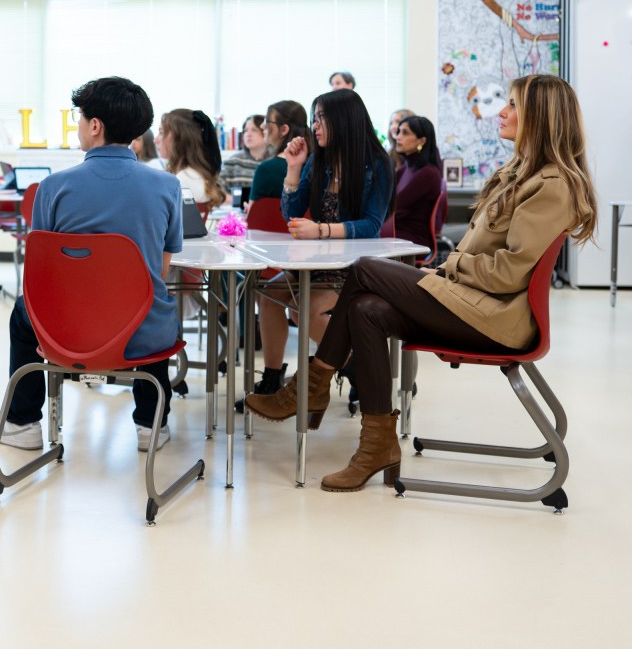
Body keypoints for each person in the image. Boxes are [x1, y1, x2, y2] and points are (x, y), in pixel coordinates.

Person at [247, 74, 597, 492]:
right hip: (474, 300)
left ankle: (311, 385)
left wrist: (448, 268)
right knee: (366, 309)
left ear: (541, 117)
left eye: (513, 105)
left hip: (496, 318)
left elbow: (507, 273)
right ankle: (376, 443)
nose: (502, 111)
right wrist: (448, 271)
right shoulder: (520, 174)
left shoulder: (551, 186)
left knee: (363, 269)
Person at [0, 76, 182, 452]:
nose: (78, 126)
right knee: (151, 305)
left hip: (66, 333)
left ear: (95, 126)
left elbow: (41, 276)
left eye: (79, 118)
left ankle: (23, 422)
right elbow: (160, 270)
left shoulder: (52, 188)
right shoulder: (167, 186)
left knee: (22, 310)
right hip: (141, 336)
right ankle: (149, 423)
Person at [244, 88, 393, 412]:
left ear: (344, 120)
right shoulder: (317, 159)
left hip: (353, 265)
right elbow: (290, 213)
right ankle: (273, 377)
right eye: (314, 118)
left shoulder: (377, 164)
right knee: (268, 297)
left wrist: (321, 230)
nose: (315, 126)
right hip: (316, 261)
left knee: (306, 311)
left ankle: (356, 366)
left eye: (322, 118)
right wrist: (294, 170)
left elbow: (370, 225)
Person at [247, 100, 309, 215]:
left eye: (267, 121)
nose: (262, 125)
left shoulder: (266, 169)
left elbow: (253, 217)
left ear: (284, 129)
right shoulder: (314, 163)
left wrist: (250, 209)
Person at [392, 114, 443, 249]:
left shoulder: (428, 174)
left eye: (405, 133)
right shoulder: (405, 168)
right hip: (398, 233)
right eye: (398, 132)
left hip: (412, 239)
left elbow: (393, 205)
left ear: (421, 141)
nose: (398, 137)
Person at [158, 108, 226, 206]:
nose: (155, 140)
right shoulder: (195, 176)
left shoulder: (183, 182)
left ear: (180, 139)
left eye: (161, 132)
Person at [220, 115, 267, 205]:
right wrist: (238, 201)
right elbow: (216, 192)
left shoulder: (275, 162)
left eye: (254, 130)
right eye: (245, 130)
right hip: (236, 214)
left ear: (265, 131)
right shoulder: (232, 162)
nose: (248, 134)